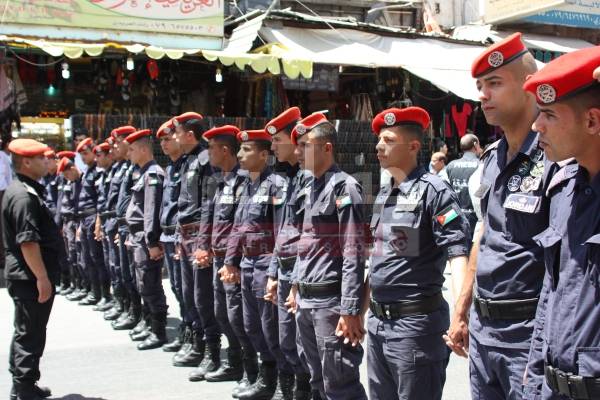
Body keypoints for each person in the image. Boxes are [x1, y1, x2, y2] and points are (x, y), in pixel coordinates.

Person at [444, 32, 555, 400]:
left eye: (494, 83)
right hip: (484, 330)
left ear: (528, 84)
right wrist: (462, 309)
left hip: (528, 335)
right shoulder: (492, 158)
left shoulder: (556, 156)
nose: (482, 95)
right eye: (480, 86)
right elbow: (484, 235)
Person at [366, 107, 470, 400]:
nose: (379, 146)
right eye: (379, 140)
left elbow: (457, 253)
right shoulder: (385, 193)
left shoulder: (434, 191)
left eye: (388, 140)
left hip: (414, 327)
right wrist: (357, 312)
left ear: (413, 146)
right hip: (378, 324)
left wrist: (461, 314)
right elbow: (378, 260)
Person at [522, 46, 600, 400]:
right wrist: (536, 378)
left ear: (592, 121)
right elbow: (551, 294)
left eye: (549, 115)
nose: (536, 125)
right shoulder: (563, 190)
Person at [287, 112, 368, 400]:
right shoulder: (309, 187)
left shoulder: (345, 187)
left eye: (305, 146)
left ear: (327, 148)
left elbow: (353, 251)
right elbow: (305, 242)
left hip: (330, 303)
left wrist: (350, 309)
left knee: (340, 383)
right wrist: (295, 285)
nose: (298, 152)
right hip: (307, 300)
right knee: (318, 380)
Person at [221, 128, 288, 399]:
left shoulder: (276, 185)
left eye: (246, 150)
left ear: (263, 155)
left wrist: (274, 271)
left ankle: (283, 383)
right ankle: (265, 377)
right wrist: (231, 262)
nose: (239, 154)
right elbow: (238, 227)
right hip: (247, 264)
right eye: (240, 149)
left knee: (271, 328)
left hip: (265, 264)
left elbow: (282, 232)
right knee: (251, 326)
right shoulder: (247, 185)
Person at [196, 125, 258, 394]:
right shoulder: (217, 181)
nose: (207, 152)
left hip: (235, 261)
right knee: (222, 313)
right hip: (219, 258)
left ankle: (250, 370)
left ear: (224, 150)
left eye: (211, 148)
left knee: (238, 318)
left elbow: (240, 226)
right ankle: (234, 363)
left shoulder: (243, 182)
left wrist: (232, 259)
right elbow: (208, 217)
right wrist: (203, 247)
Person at [3, 138, 63, 400]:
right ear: (26, 162)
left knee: (27, 330)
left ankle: (22, 385)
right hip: (29, 277)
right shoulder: (23, 196)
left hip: (26, 275)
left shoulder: (23, 190)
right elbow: (28, 241)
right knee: (31, 332)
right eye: (40, 158)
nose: (46, 161)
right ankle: (24, 389)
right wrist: (42, 277)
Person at [264, 107, 313, 400]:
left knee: (304, 346)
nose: (272, 147)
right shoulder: (287, 179)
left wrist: (295, 280)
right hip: (284, 271)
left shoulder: (310, 179)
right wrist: (273, 272)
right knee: (286, 341)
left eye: (277, 140)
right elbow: (282, 231)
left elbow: (309, 238)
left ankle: (304, 391)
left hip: (301, 275)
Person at [172, 111, 217, 369]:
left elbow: (208, 204)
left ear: (190, 135)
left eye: (177, 133)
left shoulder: (204, 160)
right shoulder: (187, 160)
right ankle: (195, 341)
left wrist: (203, 242)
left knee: (202, 296)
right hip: (185, 234)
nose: (174, 137)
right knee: (187, 293)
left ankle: (209, 350)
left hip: (198, 234)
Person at [124, 128, 169, 350]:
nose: (128, 154)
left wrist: (151, 241)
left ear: (143, 150)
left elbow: (151, 211)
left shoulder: (153, 174)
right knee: (142, 281)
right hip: (137, 235)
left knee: (150, 283)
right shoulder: (142, 173)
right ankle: (150, 323)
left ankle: (158, 331)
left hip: (144, 236)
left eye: (131, 149)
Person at [156, 119, 188, 352]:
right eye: (162, 141)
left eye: (168, 138)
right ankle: (187, 331)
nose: (164, 144)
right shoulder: (169, 169)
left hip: (181, 236)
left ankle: (193, 336)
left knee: (186, 290)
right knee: (176, 287)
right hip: (167, 236)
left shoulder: (190, 166)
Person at [101, 126, 137, 324]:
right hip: (116, 223)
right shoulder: (120, 168)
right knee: (118, 268)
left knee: (132, 272)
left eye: (117, 143)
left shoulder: (135, 167)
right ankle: (124, 305)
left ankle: (136, 312)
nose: (113, 147)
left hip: (126, 225)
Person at [75, 137, 110, 307]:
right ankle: (95, 293)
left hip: (93, 218)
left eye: (86, 153)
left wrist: (98, 221)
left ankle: (105, 295)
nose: (83, 157)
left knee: (98, 258)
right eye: (81, 154)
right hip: (84, 219)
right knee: (88, 258)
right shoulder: (87, 172)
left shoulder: (98, 171)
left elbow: (100, 200)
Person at [57, 155, 85, 302]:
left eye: (67, 173)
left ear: (72, 168)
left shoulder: (81, 180)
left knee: (80, 256)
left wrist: (79, 225)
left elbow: (79, 205)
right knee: (71, 256)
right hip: (68, 222)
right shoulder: (72, 182)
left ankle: (84, 287)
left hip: (77, 221)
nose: (66, 177)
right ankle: (77, 285)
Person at [93, 142, 116, 313]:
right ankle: (120, 304)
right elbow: (102, 202)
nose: (96, 159)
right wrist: (99, 223)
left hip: (115, 222)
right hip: (107, 221)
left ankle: (131, 308)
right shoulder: (106, 174)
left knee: (120, 269)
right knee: (111, 265)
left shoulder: (118, 171)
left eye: (99, 155)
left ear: (109, 155)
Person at [445, 133, 482, 240]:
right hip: (475, 218)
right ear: (475, 145)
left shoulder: (450, 165)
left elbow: (445, 193)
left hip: (454, 217)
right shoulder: (481, 165)